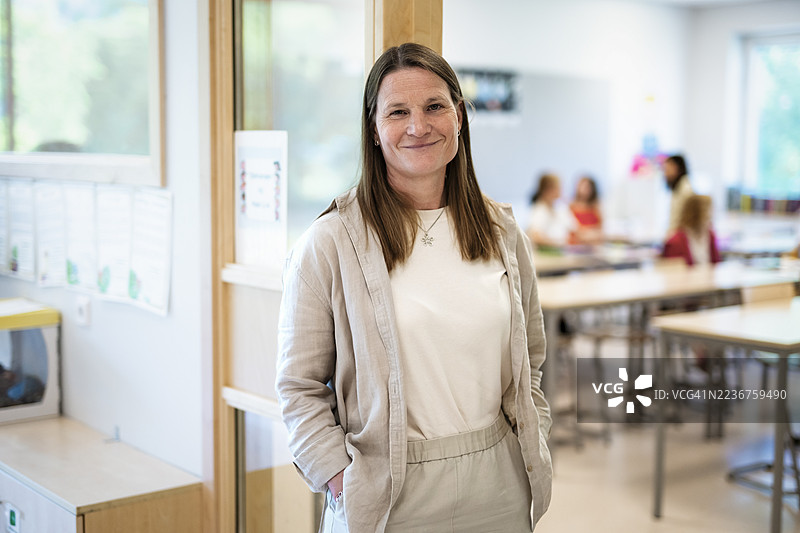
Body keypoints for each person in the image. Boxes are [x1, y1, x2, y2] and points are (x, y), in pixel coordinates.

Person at [276, 43, 552, 532]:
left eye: (434, 106)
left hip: (499, 480)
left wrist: (533, 434)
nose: (419, 126)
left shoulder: (502, 232)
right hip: (385, 488)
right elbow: (299, 387)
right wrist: (339, 477)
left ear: (460, 117)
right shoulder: (330, 243)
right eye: (398, 112)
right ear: (375, 130)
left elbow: (530, 357)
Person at [662, 194, 721, 266]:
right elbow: (674, 271)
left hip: (708, 276)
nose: (710, 215)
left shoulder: (710, 235)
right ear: (694, 212)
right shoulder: (675, 241)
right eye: (707, 210)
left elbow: (716, 264)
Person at [526, 172, 578, 248]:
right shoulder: (539, 210)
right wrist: (560, 243)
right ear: (548, 190)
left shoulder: (560, 208)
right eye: (558, 187)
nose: (561, 190)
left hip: (563, 252)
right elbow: (536, 237)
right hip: (546, 254)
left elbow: (575, 230)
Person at [663, 154, 694, 236]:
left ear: (677, 167)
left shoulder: (685, 189)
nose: (665, 173)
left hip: (680, 236)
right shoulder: (678, 187)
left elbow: (684, 220)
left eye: (668, 169)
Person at [569, 175, 603, 244]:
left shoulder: (596, 207)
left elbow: (600, 228)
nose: (585, 190)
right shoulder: (571, 207)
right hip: (577, 243)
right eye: (583, 186)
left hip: (594, 243)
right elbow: (571, 227)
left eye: (588, 187)